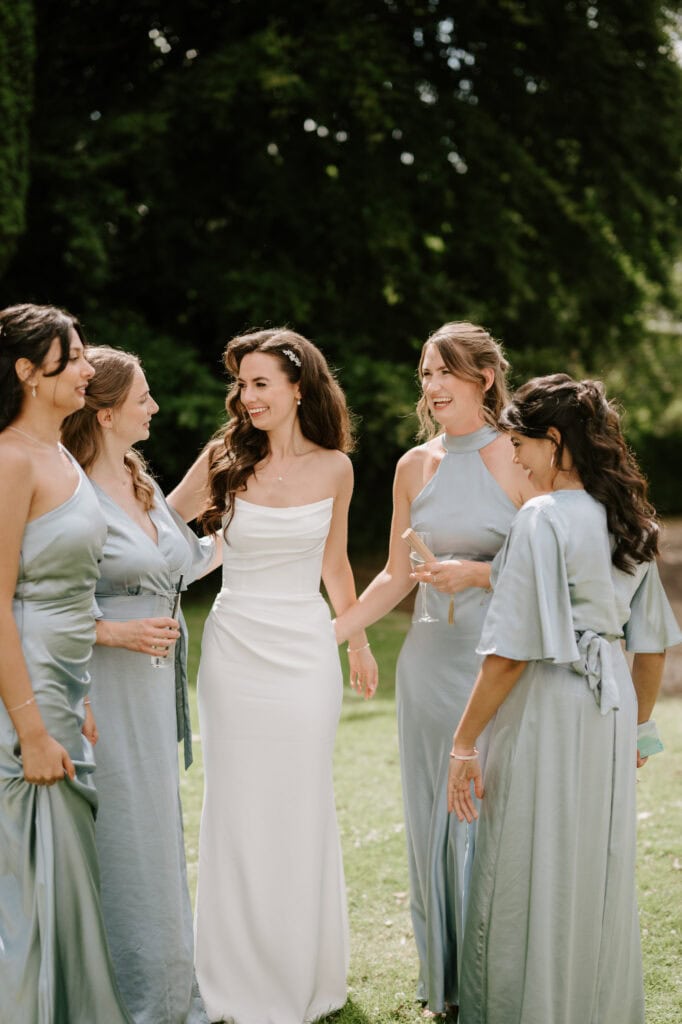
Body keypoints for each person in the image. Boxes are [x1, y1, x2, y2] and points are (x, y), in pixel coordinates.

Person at [447, 374, 682, 1024]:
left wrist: (464, 742)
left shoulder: (541, 517)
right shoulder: (627, 519)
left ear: (554, 441)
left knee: (524, 856)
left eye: (520, 443)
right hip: (606, 714)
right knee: (592, 861)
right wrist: (639, 730)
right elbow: (653, 646)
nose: (515, 458)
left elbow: (510, 654)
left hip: (546, 702)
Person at [167, 327, 378, 1024]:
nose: (247, 396)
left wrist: (357, 641)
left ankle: (300, 972)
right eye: (243, 384)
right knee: (237, 805)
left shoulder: (336, 469)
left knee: (299, 799)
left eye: (261, 383)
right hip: (235, 648)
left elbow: (336, 563)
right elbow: (164, 528)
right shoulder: (224, 457)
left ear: (297, 387)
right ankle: (230, 976)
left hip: (303, 647)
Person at [333, 321, 537, 1016]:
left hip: (502, 663)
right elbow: (394, 575)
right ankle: (446, 984)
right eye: (425, 373)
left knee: (491, 810)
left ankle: (495, 976)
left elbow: (547, 570)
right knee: (432, 818)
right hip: (426, 666)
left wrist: (478, 574)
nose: (432, 385)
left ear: (484, 377)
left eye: (445, 371)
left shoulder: (520, 456)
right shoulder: (413, 466)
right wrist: (334, 633)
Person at [61, 346, 220, 1024]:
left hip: (154, 687)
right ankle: (124, 998)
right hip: (99, 682)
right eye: (143, 398)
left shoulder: (139, 482)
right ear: (102, 411)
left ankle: (167, 991)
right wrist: (115, 632)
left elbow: (176, 561)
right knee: (121, 834)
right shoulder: (67, 491)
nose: (155, 407)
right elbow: (35, 598)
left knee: (156, 833)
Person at [0, 304, 133, 1023]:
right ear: (27, 371)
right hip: (20, 697)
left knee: (67, 871)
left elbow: (70, 591)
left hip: (59, 682)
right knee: (30, 881)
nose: (88, 368)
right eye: (73, 357)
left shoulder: (58, 456)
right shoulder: (9, 459)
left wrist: (72, 697)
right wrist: (30, 728)